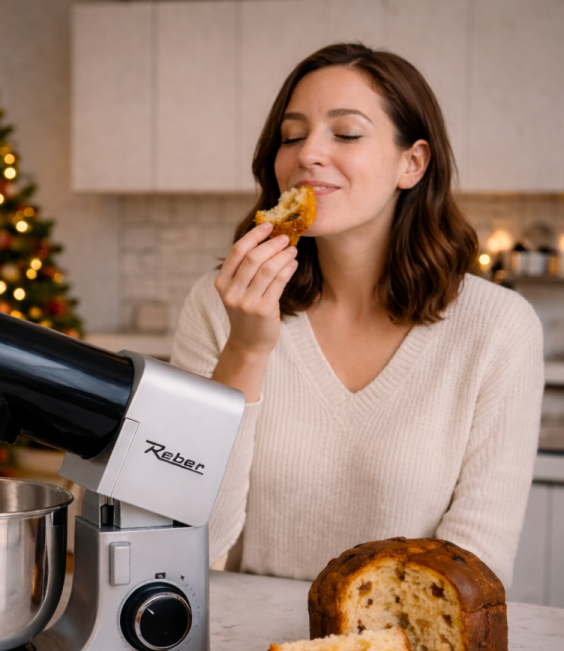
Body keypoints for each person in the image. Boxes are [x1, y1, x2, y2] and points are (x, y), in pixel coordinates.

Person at [170, 43, 544, 587]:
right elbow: (187, 540)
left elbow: (473, 569)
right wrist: (245, 351)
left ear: (412, 163)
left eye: (345, 133)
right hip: (243, 633)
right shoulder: (220, 304)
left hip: (406, 637)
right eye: (291, 136)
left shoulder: (499, 328)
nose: (308, 154)